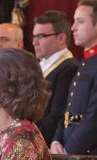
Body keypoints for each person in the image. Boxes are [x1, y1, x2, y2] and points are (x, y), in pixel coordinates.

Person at [51, 0, 97, 160]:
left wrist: (70, 150)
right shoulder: (85, 64)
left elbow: (94, 119)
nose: (73, 28)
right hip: (74, 155)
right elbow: (68, 112)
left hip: (88, 157)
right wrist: (57, 139)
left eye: (80, 21)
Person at [32, 11, 78, 146]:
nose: (34, 42)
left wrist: (33, 140)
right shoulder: (40, 65)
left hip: (46, 142)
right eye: (34, 36)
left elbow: (57, 115)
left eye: (41, 36)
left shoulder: (70, 68)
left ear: (61, 38)